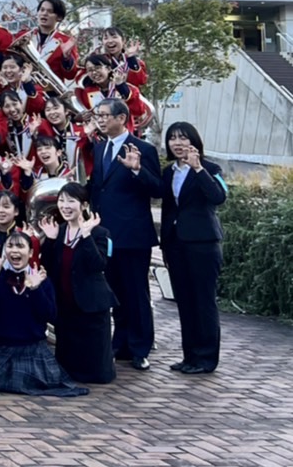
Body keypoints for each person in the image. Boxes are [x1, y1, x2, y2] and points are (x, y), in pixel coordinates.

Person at [86, 98, 160, 370]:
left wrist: (137, 170)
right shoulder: (100, 148)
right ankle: (121, 344)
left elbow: (158, 189)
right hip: (106, 235)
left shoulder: (143, 149)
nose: (101, 120)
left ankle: (141, 347)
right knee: (115, 291)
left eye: (105, 115)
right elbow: (99, 189)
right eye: (98, 116)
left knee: (136, 293)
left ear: (122, 117)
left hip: (133, 235)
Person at [0, 231, 88, 397]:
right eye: (10, 246)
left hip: (33, 350)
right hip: (0, 350)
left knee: (32, 381)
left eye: (20, 246)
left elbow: (50, 315)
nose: (14, 251)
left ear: (30, 253)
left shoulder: (42, 280)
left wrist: (35, 289)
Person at [160, 121, 227, 375]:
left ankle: (207, 358)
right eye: (172, 138)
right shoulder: (169, 172)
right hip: (176, 245)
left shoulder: (210, 167)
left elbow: (218, 196)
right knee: (185, 302)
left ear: (194, 141)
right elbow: (168, 207)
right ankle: (190, 356)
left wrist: (197, 168)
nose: (177, 143)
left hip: (203, 245)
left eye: (183, 138)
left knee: (203, 301)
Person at [38, 182, 115, 385]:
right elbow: (48, 267)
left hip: (90, 303)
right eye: (61, 200)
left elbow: (98, 264)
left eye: (71, 201)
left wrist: (86, 234)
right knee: (67, 362)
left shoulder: (100, 232)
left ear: (84, 205)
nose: (65, 206)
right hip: (66, 303)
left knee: (95, 367)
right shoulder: (59, 231)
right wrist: (51, 241)